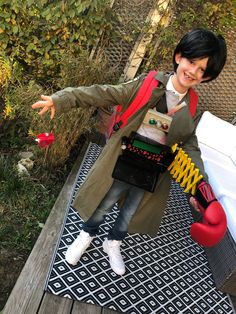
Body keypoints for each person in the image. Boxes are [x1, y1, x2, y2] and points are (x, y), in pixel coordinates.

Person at [32, 28, 227, 276]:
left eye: (203, 70)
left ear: (207, 77)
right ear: (179, 56)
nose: (194, 72)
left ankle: (113, 242)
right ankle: (86, 235)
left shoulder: (192, 106)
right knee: (104, 203)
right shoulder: (147, 83)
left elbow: (190, 146)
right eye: (192, 62)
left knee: (129, 212)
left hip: (150, 172)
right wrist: (62, 99)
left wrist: (200, 189)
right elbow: (104, 92)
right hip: (124, 161)